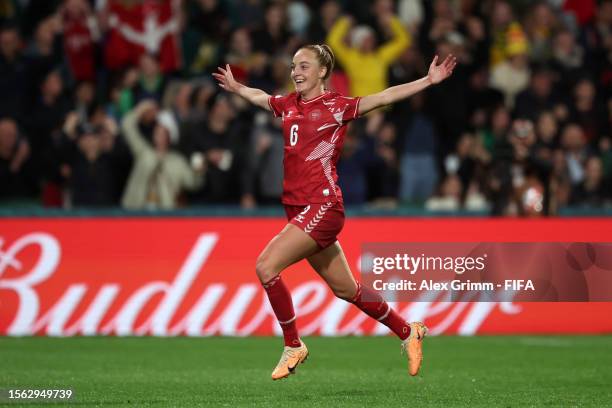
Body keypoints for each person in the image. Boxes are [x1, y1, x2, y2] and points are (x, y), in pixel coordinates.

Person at [213, 44, 455, 380]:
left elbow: (384, 97)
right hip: (298, 208)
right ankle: (408, 331)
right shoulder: (288, 105)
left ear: (323, 71)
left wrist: (427, 81)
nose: (296, 72)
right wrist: (238, 88)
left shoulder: (336, 107)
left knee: (266, 266)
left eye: (304, 66)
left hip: (323, 205)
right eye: (294, 65)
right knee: (347, 290)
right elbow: (260, 97)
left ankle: (293, 344)